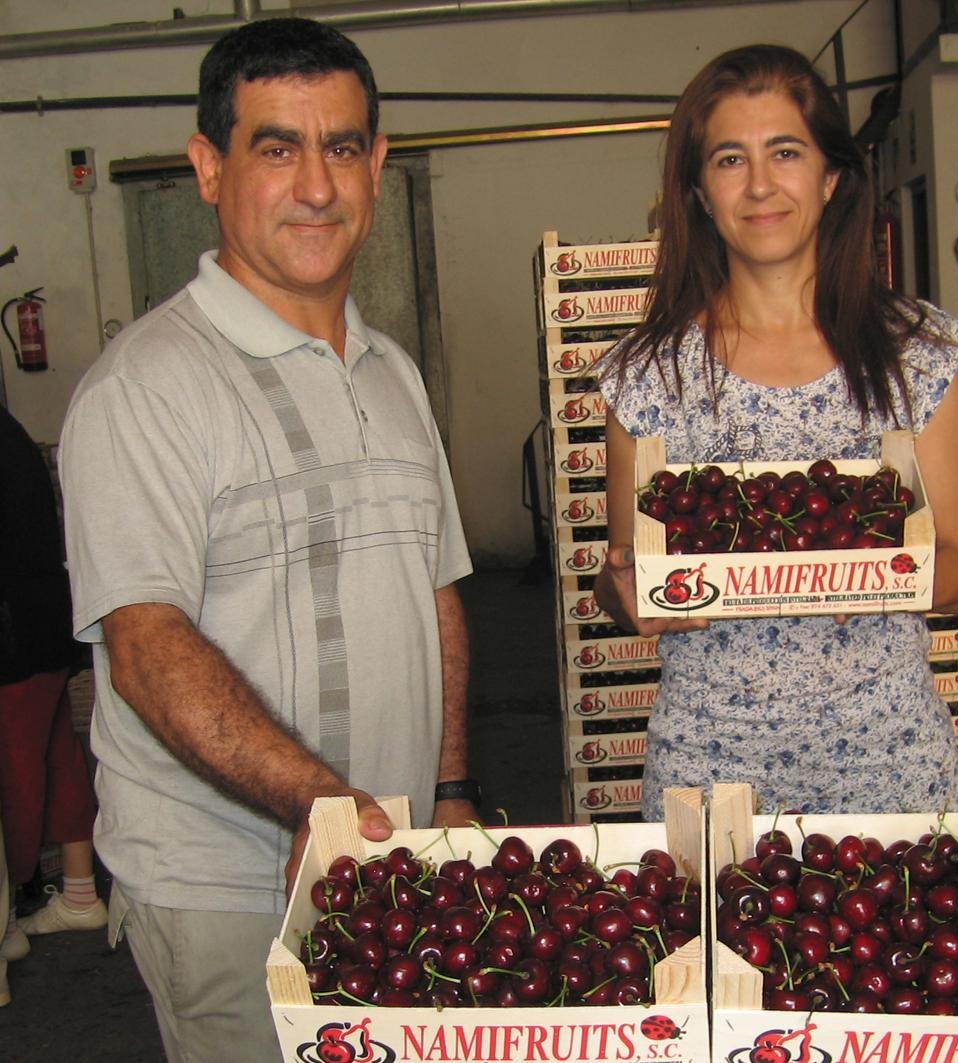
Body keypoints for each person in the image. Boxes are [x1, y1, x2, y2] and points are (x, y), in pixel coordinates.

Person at [59, 18, 475, 1062]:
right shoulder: (146, 387)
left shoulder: (392, 371)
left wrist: (452, 787)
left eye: (342, 146)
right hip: (232, 885)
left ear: (377, 165)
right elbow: (147, 645)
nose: (317, 186)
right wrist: (321, 802)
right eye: (276, 147)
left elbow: (435, 591)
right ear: (209, 168)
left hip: (385, 858)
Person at [594, 44, 958, 820]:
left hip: (890, 759)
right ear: (699, 193)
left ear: (831, 176)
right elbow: (621, 579)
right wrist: (624, 592)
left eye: (785, 152)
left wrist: (869, 572)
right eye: (729, 159)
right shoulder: (645, 377)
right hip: (711, 768)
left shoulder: (917, 353)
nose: (761, 185)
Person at [0, 406, 106, 989]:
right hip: (43, 621)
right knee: (56, 755)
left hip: (13, 634)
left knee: (16, 772)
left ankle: (7, 920)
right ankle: (80, 890)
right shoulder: (13, 429)